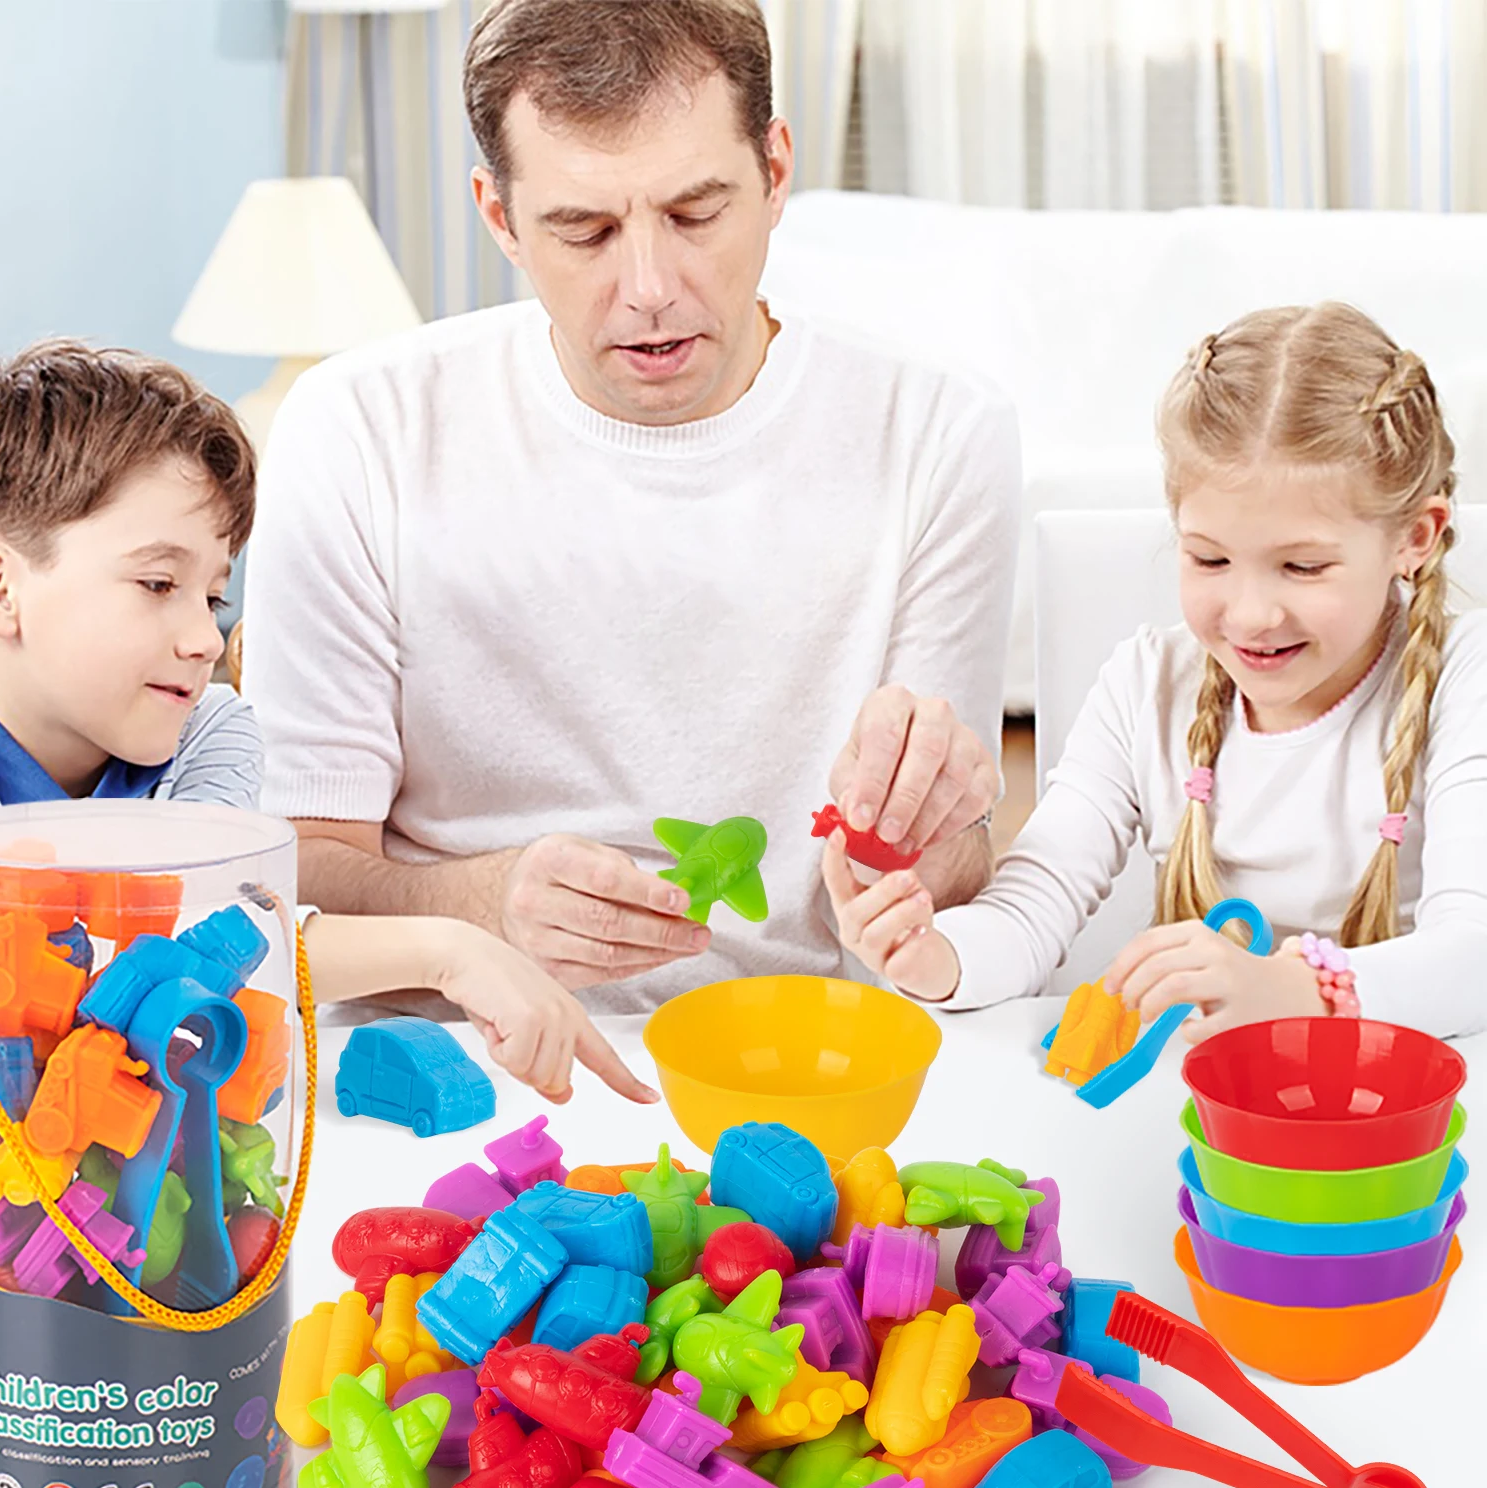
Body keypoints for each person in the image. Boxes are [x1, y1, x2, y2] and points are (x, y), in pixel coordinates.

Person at [241, 0, 1020, 1016]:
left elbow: (949, 873)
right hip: (457, 1048)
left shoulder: (939, 431)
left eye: (696, 214)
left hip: (791, 1047)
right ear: (499, 217)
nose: (649, 287)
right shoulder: (360, 426)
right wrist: (475, 901)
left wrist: (935, 842)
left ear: (775, 172)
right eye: (585, 230)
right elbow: (292, 868)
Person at [0, 340, 652, 1104]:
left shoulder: (209, 733)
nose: (205, 640)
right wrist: (444, 949)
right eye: (158, 583)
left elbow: (227, 939)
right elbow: (35, 988)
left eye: (212, 596)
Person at [827, 303, 1487, 1041]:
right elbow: (1032, 904)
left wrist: (1287, 988)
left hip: (1408, 1126)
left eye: (1302, 567)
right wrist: (934, 955)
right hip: (1202, 1112)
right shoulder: (1147, 683)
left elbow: (1473, 959)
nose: (1249, 615)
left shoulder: (1465, 678)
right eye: (1209, 558)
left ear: (1416, 538)